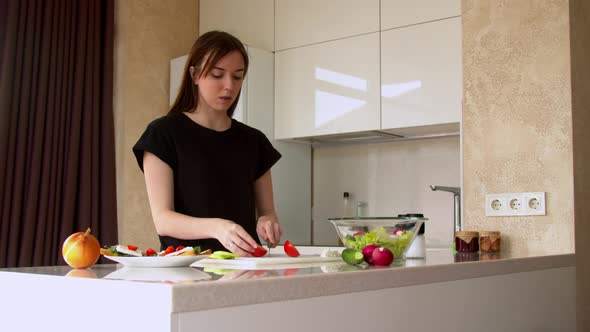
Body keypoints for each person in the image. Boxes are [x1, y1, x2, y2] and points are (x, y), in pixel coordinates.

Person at [132, 31, 282, 256]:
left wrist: (267, 222)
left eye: (238, 76)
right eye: (217, 74)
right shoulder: (162, 134)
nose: (229, 86)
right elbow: (163, 219)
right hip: (185, 271)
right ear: (194, 75)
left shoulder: (254, 141)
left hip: (244, 269)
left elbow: (268, 212)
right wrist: (217, 227)